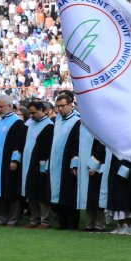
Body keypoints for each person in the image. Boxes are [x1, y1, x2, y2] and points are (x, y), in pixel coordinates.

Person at [0, 95, 26, 226]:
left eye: (1, 106)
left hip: (9, 162)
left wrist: (15, 160)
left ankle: (13, 218)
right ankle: (2, 217)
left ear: (9, 106)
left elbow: (19, 143)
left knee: (11, 189)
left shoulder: (17, 122)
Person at [49, 92, 81, 230]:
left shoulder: (77, 120)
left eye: (62, 106)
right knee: (58, 193)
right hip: (56, 162)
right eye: (58, 106)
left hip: (69, 162)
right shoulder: (57, 120)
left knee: (70, 193)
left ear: (70, 105)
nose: (60, 109)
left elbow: (77, 144)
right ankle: (62, 222)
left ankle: (72, 223)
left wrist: (74, 162)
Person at [21, 100, 54, 229]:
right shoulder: (31, 125)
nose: (32, 115)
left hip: (39, 166)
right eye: (30, 113)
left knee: (41, 195)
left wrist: (42, 167)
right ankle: (34, 219)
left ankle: (45, 221)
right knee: (31, 193)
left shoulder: (48, 126)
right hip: (28, 164)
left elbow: (46, 149)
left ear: (42, 110)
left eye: (34, 113)